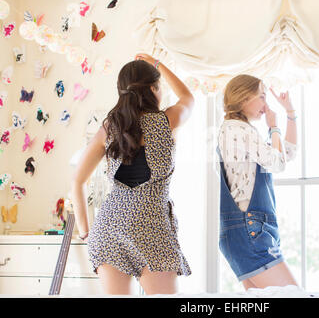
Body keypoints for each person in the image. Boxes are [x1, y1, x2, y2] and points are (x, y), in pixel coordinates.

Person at [71, 54, 194, 295]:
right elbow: (188, 98)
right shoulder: (167, 120)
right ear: (153, 88)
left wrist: (85, 230)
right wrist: (157, 63)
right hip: (152, 229)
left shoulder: (109, 128)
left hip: (110, 229)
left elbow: (77, 181)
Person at [217, 74, 298, 290]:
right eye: (261, 97)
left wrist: (290, 114)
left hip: (246, 230)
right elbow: (278, 163)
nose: (266, 105)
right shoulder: (239, 130)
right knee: (293, 295)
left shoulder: (235, 130)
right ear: (243, 98)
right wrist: (273, 128)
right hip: (251, 230)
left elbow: (287, 153)